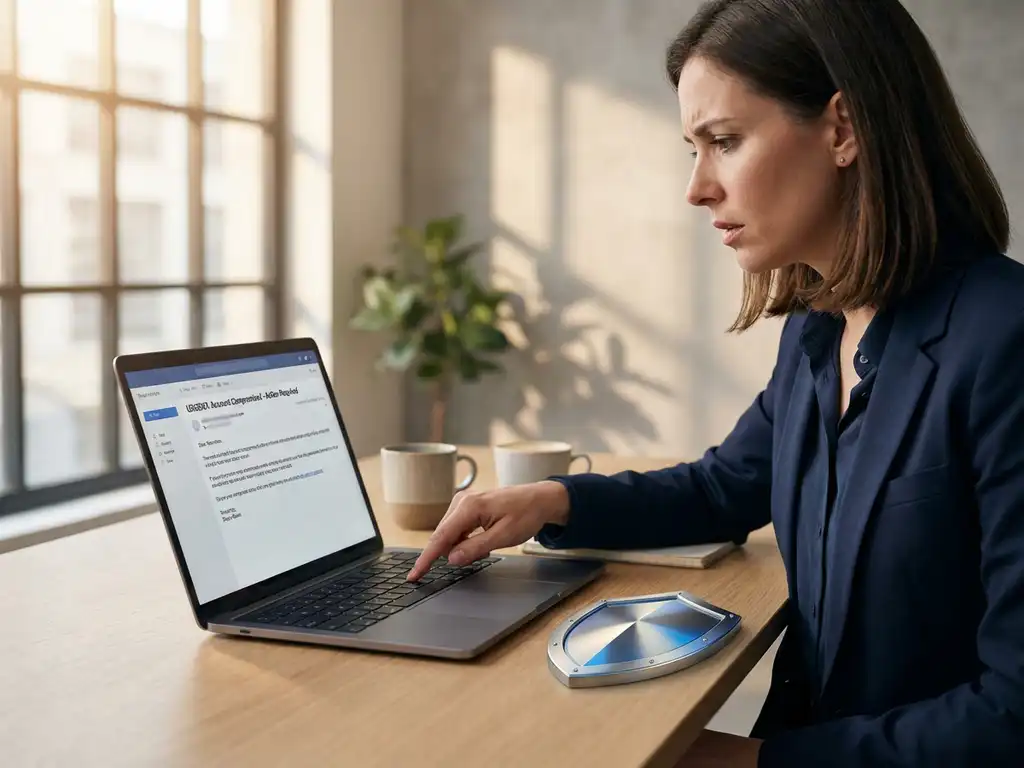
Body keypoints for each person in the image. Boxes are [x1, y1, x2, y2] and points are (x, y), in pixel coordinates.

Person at [407, 0, 1024, 765]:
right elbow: (726, 487)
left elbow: (1012, 716)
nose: (697, 187)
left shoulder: (1004, 339)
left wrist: (746, 762)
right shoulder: (818, 327)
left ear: (843, 128)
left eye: (724, 143)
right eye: (692, 151)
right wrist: (553, 502)